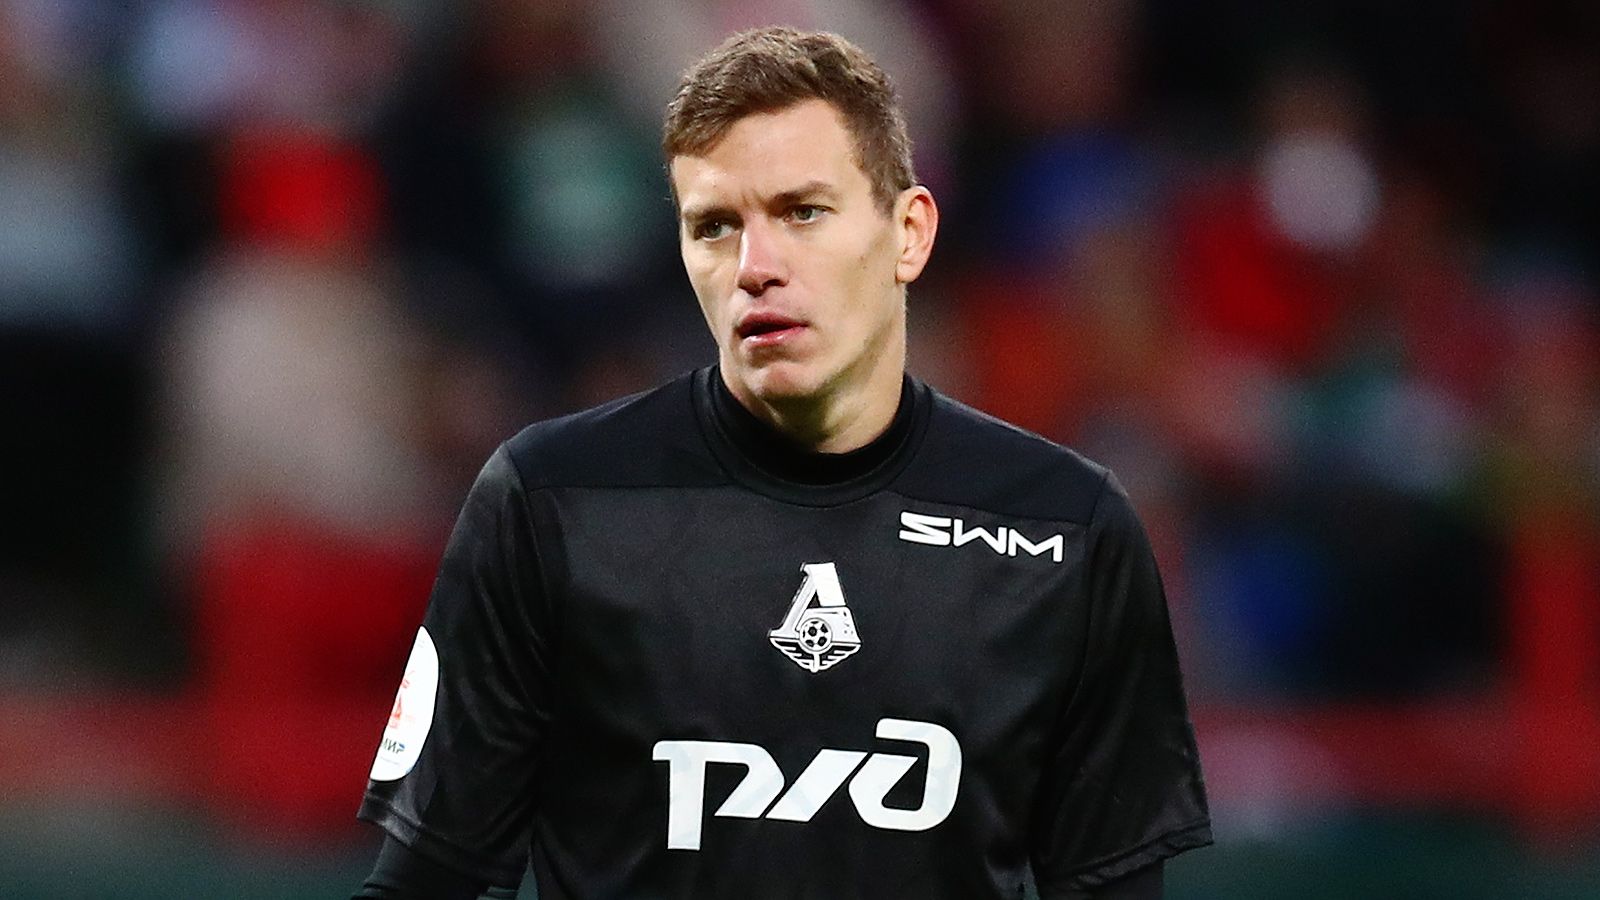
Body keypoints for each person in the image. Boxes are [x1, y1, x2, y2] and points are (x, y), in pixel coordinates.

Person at [353, 27, 1210, 900]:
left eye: (803, 212)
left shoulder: (1065, 530)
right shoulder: (552, 502)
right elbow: (426, 881)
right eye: (716, 226)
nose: (756, 267)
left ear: (909, 234)